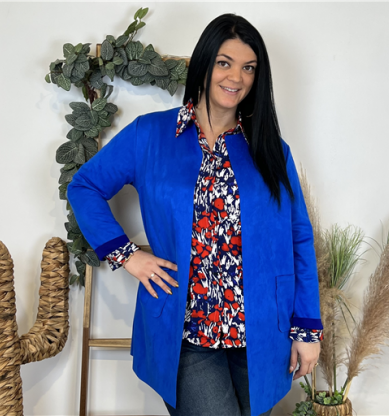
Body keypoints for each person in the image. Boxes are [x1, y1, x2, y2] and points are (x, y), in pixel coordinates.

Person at [67, 13, 323, 416]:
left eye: (249, 68)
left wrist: (307, 329)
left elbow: (298, 237)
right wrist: (127, 256)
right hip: (185, 330)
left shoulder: (271, 149)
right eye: (224, 62)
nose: (236, 77)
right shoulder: (150, 135)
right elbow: (84, 187)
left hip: (261, 332)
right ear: (204, 63)